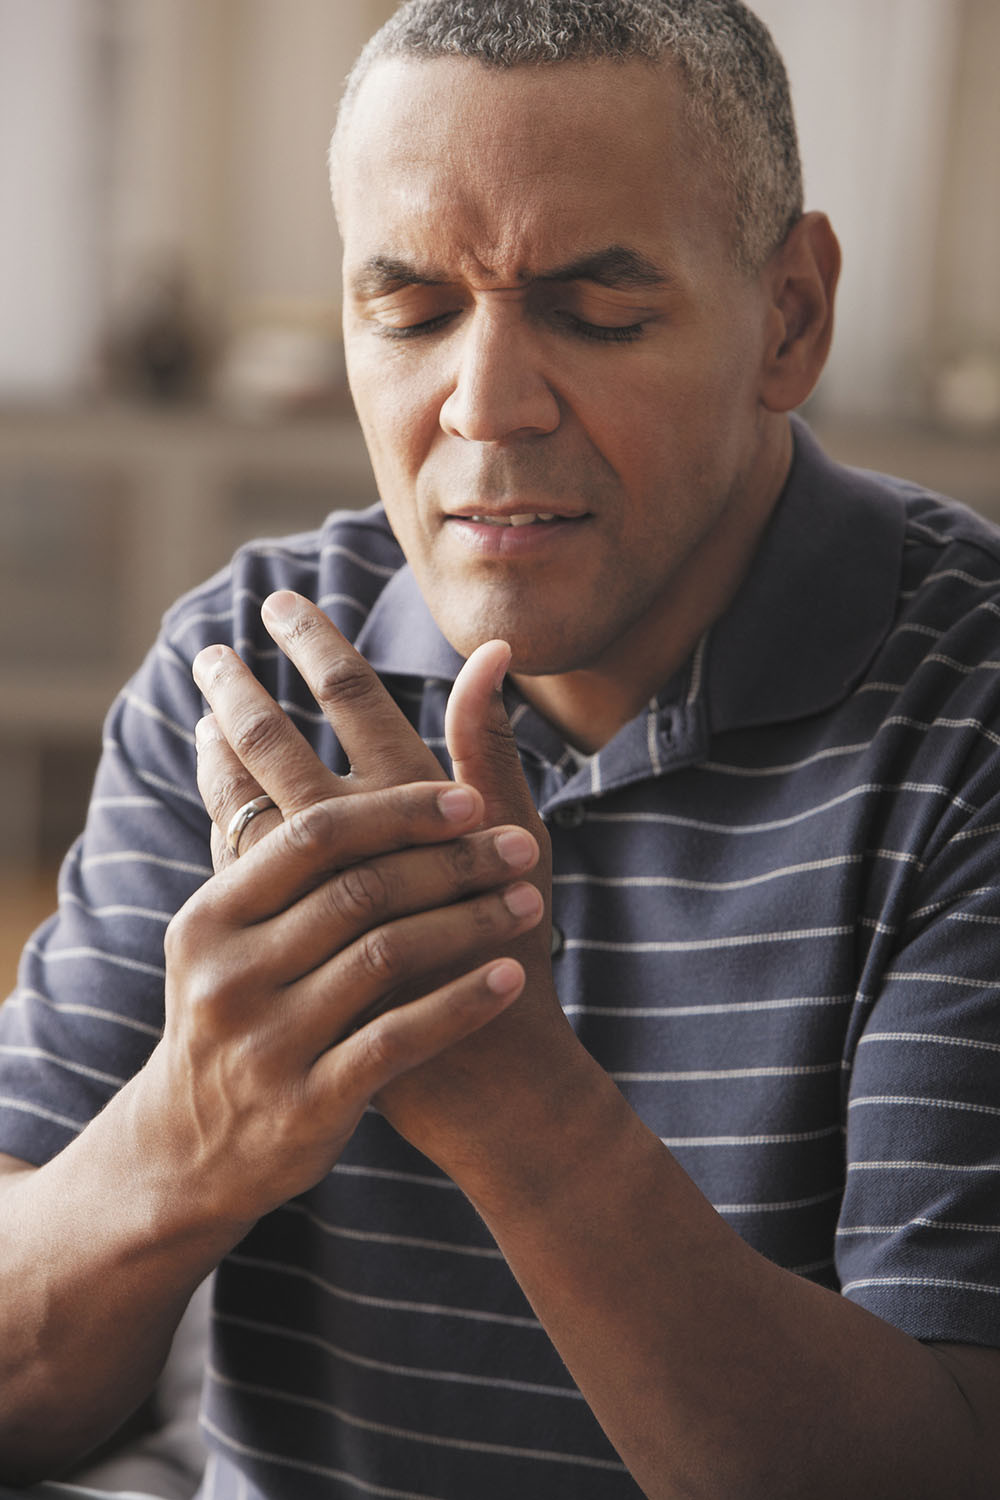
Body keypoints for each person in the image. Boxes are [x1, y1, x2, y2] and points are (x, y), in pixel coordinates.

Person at [2, 1, 1000, 1496]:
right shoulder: (249, 670)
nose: (483, 406)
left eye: (598, 309)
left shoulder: (970, 716)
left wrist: (520, 1112)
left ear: (788, 317)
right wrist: (192, 1129)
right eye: (408, 312)